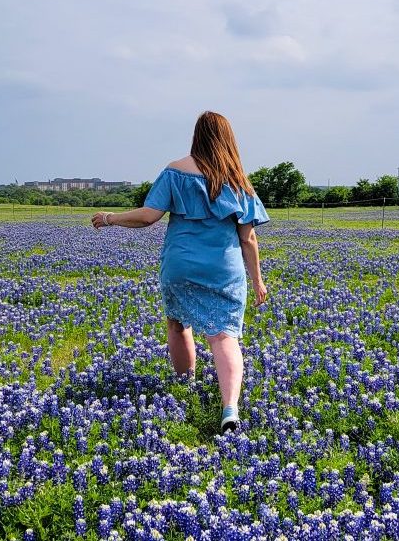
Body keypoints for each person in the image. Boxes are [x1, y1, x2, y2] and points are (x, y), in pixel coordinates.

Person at [92, 111, 269, 434]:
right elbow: (249, 238)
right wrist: (257, 279)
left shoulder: (175, 171)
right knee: (224, 336)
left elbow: (148, 217)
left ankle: (183, 387)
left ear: (196, 136)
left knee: (178, 325)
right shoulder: (239, 181)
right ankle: (230, 407)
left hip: (181, 265)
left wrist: (110, 218)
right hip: (223, 268)